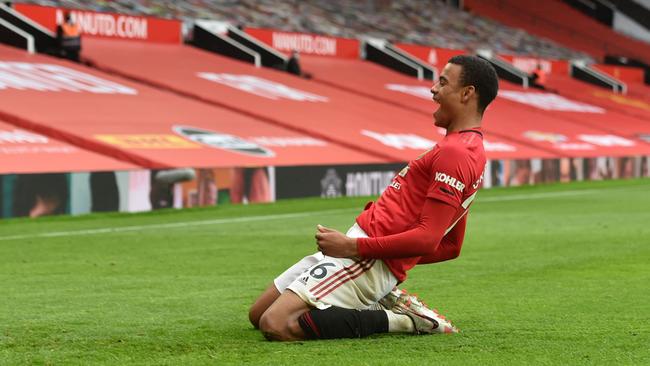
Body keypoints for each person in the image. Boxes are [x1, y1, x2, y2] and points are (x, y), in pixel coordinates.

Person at [249, 55, 499, 341]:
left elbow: (430, 239)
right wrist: (381, 256)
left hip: (362, 257)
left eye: (443, 82)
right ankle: (377, 296)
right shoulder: (467, 150)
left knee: (276, 324)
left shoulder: (456, 153)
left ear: (467, 93)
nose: (433, 89)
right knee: (258, 314)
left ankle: (402, 320)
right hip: (363, 254)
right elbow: (451, 246)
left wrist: (357, 249)